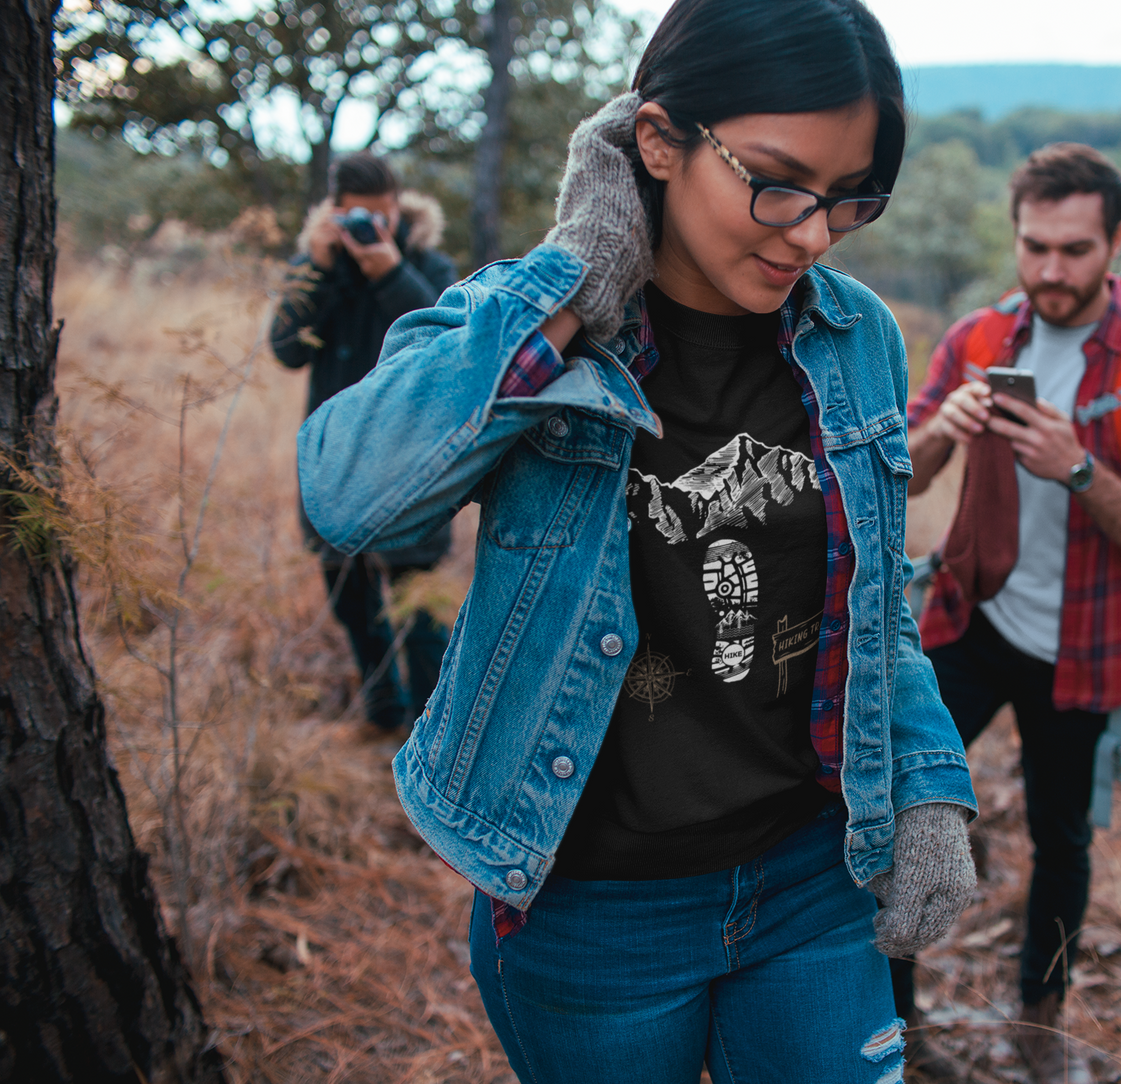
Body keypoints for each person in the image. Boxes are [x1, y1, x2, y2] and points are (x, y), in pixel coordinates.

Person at [296, 0, 980, 1078]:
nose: (809, 232)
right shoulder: (533, 331)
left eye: (848, 199)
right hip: (594, 905)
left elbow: (874, 598)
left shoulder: (855, 338)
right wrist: (575, 279)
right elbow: (354, 496)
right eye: (775, 179)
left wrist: (925, 778)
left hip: (811, 875)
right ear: (657, 142)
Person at [903, 144, 1121, 1084]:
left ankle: (1038, 1027)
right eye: (1033, 247)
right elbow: (894, 475)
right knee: (903, 808)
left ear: (1115, 243)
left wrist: (1076, 468)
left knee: (1061, 838)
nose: (1048, 272)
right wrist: (940, 432)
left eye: (1074, 250)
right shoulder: (976, 338)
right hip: (968, 618)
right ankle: (894, 1021)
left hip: (1085, 643)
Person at [270, 153, 458, 736]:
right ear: (335, 212)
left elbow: (452, 347)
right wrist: (323, 268)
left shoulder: (428, 264)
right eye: (359, 217)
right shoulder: (318, 265)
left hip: (413, 460)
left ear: (398, 205)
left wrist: (389, 271)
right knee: (352, 600)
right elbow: (286, 348)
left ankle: (433, 728)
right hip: (338, 459)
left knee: (419, 604)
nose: (372, 228)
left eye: (383, 215)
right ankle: (383, 711)